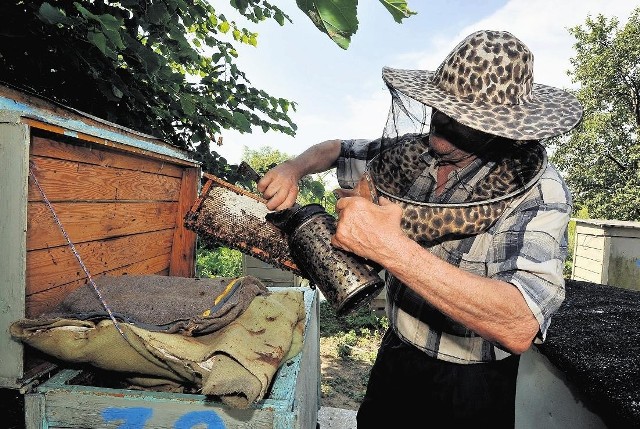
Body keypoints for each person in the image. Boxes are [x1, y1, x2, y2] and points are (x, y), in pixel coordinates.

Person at [257, 30, 583, 428]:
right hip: (398, 351)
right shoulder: (416, 153)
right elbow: (336, 150)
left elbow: (518, 323)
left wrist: (390, 247)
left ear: (501, 127)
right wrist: (293, 169)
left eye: (460, 118)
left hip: (473, 383)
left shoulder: (540, 192)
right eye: (440, 107)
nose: (440, 123)